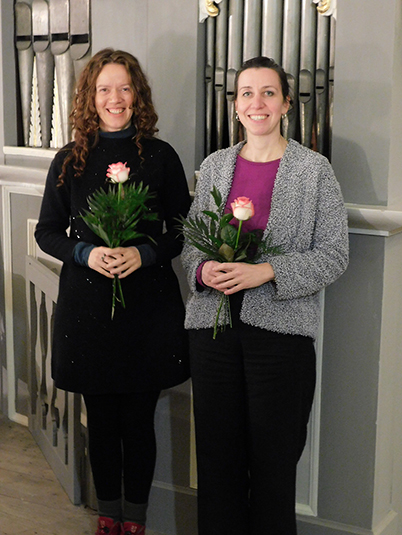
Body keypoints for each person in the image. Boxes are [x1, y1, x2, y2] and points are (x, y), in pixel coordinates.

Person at [181, 56, 349, 535]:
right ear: (236, 106)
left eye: (268, 93)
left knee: (274, 470)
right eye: (247, 93)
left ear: (286, 104)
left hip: (281, 340)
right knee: (216, 465)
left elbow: (335, 255)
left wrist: (268, 272)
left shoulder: (314, 171)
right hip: (211, 336)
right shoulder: (214, 167)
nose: (257, 102)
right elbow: (191, 247)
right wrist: (203, 269)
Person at [35, 48, 191, 535]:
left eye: (124, 88)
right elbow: (47, 232)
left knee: (139, 421)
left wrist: (143, 254)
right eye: (104, 88)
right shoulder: (68, 160)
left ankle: (136, 521)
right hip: (88, 308)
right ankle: (108, 516)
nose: (115, 98)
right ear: (90, 96)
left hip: (148, 308)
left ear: (137, 94)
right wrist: (86, 253)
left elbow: (184, 229)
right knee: (100, 420)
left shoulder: (160, 157)